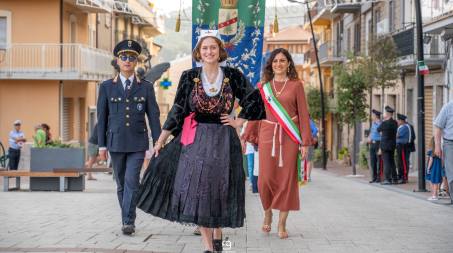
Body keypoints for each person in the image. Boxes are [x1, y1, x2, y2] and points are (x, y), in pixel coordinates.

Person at [137, 30, 265, 253]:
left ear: (220, 51)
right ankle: (209, 247)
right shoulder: (189, 76)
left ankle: (219, 235)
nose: (209, 51)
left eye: (213, 47)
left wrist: (238, 120)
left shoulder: (233, 75)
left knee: (220, 190)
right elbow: (178, 110)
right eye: (204, 48)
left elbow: (254, 99)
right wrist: (160, 140)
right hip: (195, 141)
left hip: (224, 140)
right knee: (198, 191)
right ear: (198, 52)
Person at [243, 48, 312, 239]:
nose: (278, 64)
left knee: (286, 180)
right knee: (264, 180)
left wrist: (305, 143)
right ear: (270, 65)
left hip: (289, 138)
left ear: (289, 63)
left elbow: (304, 115)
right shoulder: (263, 87)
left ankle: (282, 224)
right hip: (267, 135)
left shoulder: (296, 85)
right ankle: (267, 213)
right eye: (275, 61)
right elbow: (255, 113)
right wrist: (247, 136)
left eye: (282, 61)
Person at [97, 39, 161, 235]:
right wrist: (101, 146)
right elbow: (102, 117)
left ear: (136, 62)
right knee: (121, 184)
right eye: (123, 57)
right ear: (117, 61)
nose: (127, 60)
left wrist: (158, 142)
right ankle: (127, 217)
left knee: (132, 181)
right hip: (115, 142)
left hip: (137, 143)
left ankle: (128, 221)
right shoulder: (107, 87)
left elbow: (154, 116)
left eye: (132, 57)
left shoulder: (146, 87)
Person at [434, 101, 453, 204]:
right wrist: (437, 146)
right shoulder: (448, 107)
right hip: (450, 143)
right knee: (451, 173)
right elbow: (438, 126)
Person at [378, 106, 398, 185]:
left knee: (386, 162)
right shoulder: (395, 123)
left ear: (388, 114)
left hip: (385, 145)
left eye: (385, 113)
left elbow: (378, 129)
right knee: (392, 161)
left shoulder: (384, 123)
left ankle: (387, 179)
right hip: (392, 145)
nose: (385, 114)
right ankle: (394, 178)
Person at [396, 113, 411, 184]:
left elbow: (397, 135)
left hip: (403, 146)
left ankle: (404, 177)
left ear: (402, 121)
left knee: (403, 162)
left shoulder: (405, 127)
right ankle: (400, 175)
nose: (397, 122)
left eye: (398, 120)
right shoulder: (401, 126)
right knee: (400, 162)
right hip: (399, 146)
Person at [368, 109, 382, 183]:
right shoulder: (373, 123)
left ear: (376, 116)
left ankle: (379, 178)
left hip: (378, 143)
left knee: (378, 161)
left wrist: (380, 147)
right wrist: (369, 137)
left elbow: (382, 136)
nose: (372, 116)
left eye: (373, 115)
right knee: (373, 161)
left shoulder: (380, 124)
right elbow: (371, 132)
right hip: (372, 144)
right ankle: (374, 177)